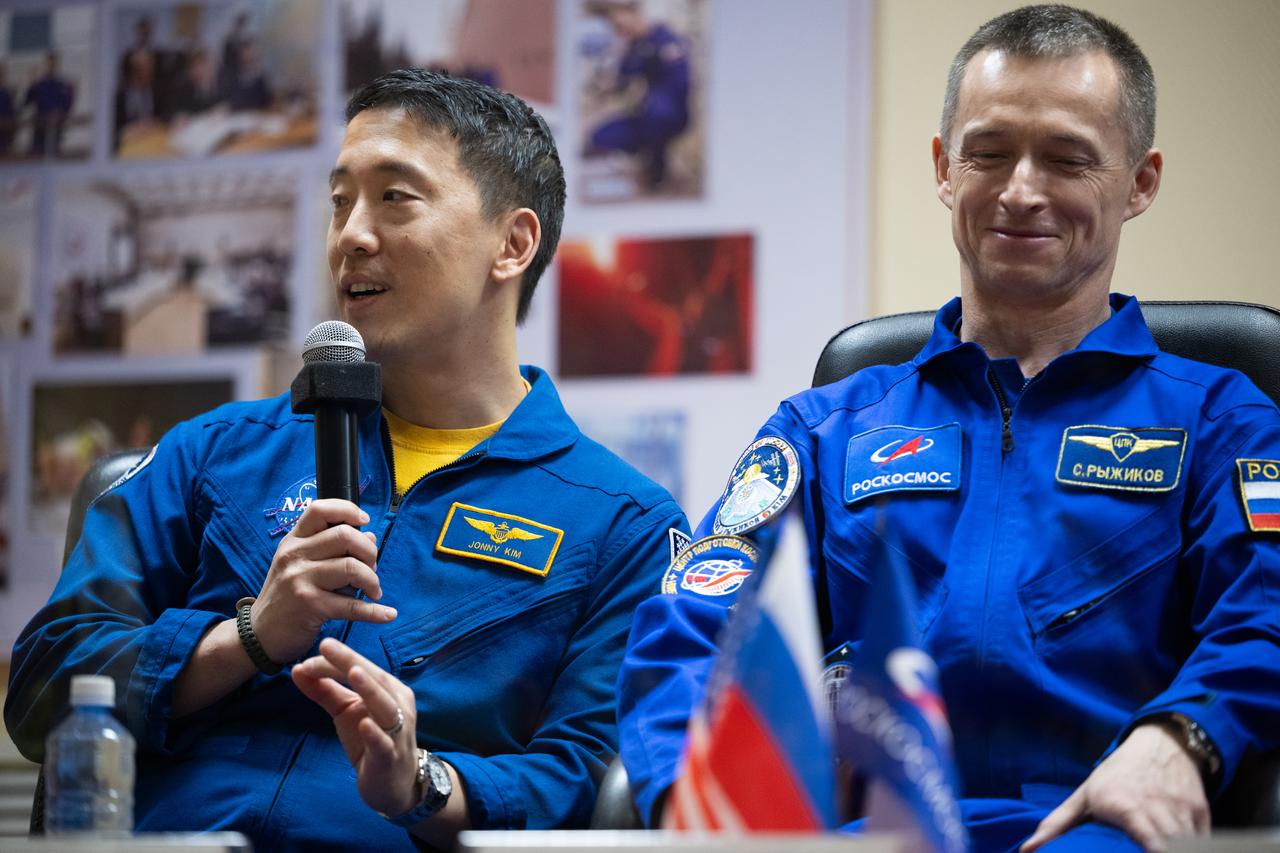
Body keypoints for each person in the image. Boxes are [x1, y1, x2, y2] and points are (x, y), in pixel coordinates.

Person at [617, 6, 1280, 853]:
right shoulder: (823, 432)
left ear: (1140, 182)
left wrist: (1183, 735)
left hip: (1096, 823)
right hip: (875, 834)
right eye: (989, 152)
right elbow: (694, 626)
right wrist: (696, 795)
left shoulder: (1224, 423)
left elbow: (1265, 615)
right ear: (943, 166)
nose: (1020, 190)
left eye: (1068, 158)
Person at [7, 69, 687, 851]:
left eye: (395, 197)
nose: (351, 235)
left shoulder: (623, 523)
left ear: (513, 243)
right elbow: (43, 685)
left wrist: (423, 781)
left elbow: (594, 788)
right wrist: (246, 638)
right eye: (340, 201)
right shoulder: (217, 451)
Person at [584, 0, 691, 190]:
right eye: (615, 28)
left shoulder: (665, 39)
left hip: (670, 113)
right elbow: (622, 80)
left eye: (620, 25)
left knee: (657, 113)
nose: (619, 31)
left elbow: (681, 84)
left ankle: (657, 171)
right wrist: (606, 87)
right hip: (643, 116)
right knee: (599, 137)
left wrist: (646, 97)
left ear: (633, 13)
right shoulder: (634, 47)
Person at [24, 52, 74, 158]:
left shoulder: (62, 84)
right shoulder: (40, 84)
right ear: (46, 64)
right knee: (37, 154)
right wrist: (32, 83)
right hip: (40, 125)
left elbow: (67, 105)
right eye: (49, 63)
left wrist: (72, 94)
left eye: (53, 63)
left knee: (55, 154)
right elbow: (27, 101)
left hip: (56, 125)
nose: (51, 66)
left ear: (57, 64)